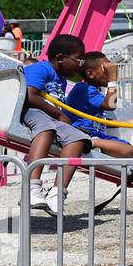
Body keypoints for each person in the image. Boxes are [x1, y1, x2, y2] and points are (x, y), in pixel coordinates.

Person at [21, 34, 92, 216]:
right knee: (47, 129)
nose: (80, 65)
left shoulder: (59, 79)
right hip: (32, 112)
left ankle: (57, 192)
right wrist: (59, 114)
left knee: (78, 138)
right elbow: (30, 95)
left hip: (50, 117)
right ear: (61, 58)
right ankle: (32, 186)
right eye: (79, 60)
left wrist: (69, 122)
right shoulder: (41, 69)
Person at [64, 53, 133, 160]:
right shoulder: (83, 89)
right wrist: (112, 79)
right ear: (90, 73)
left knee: (130, 150)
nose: (109, 73)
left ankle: (93, 144)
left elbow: (101, 120)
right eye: (106, 70)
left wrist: (129, 123)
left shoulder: (92, 90)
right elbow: (111, 105)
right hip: (84, 133)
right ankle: (88, 143)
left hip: (97, 134)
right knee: (129, 151)